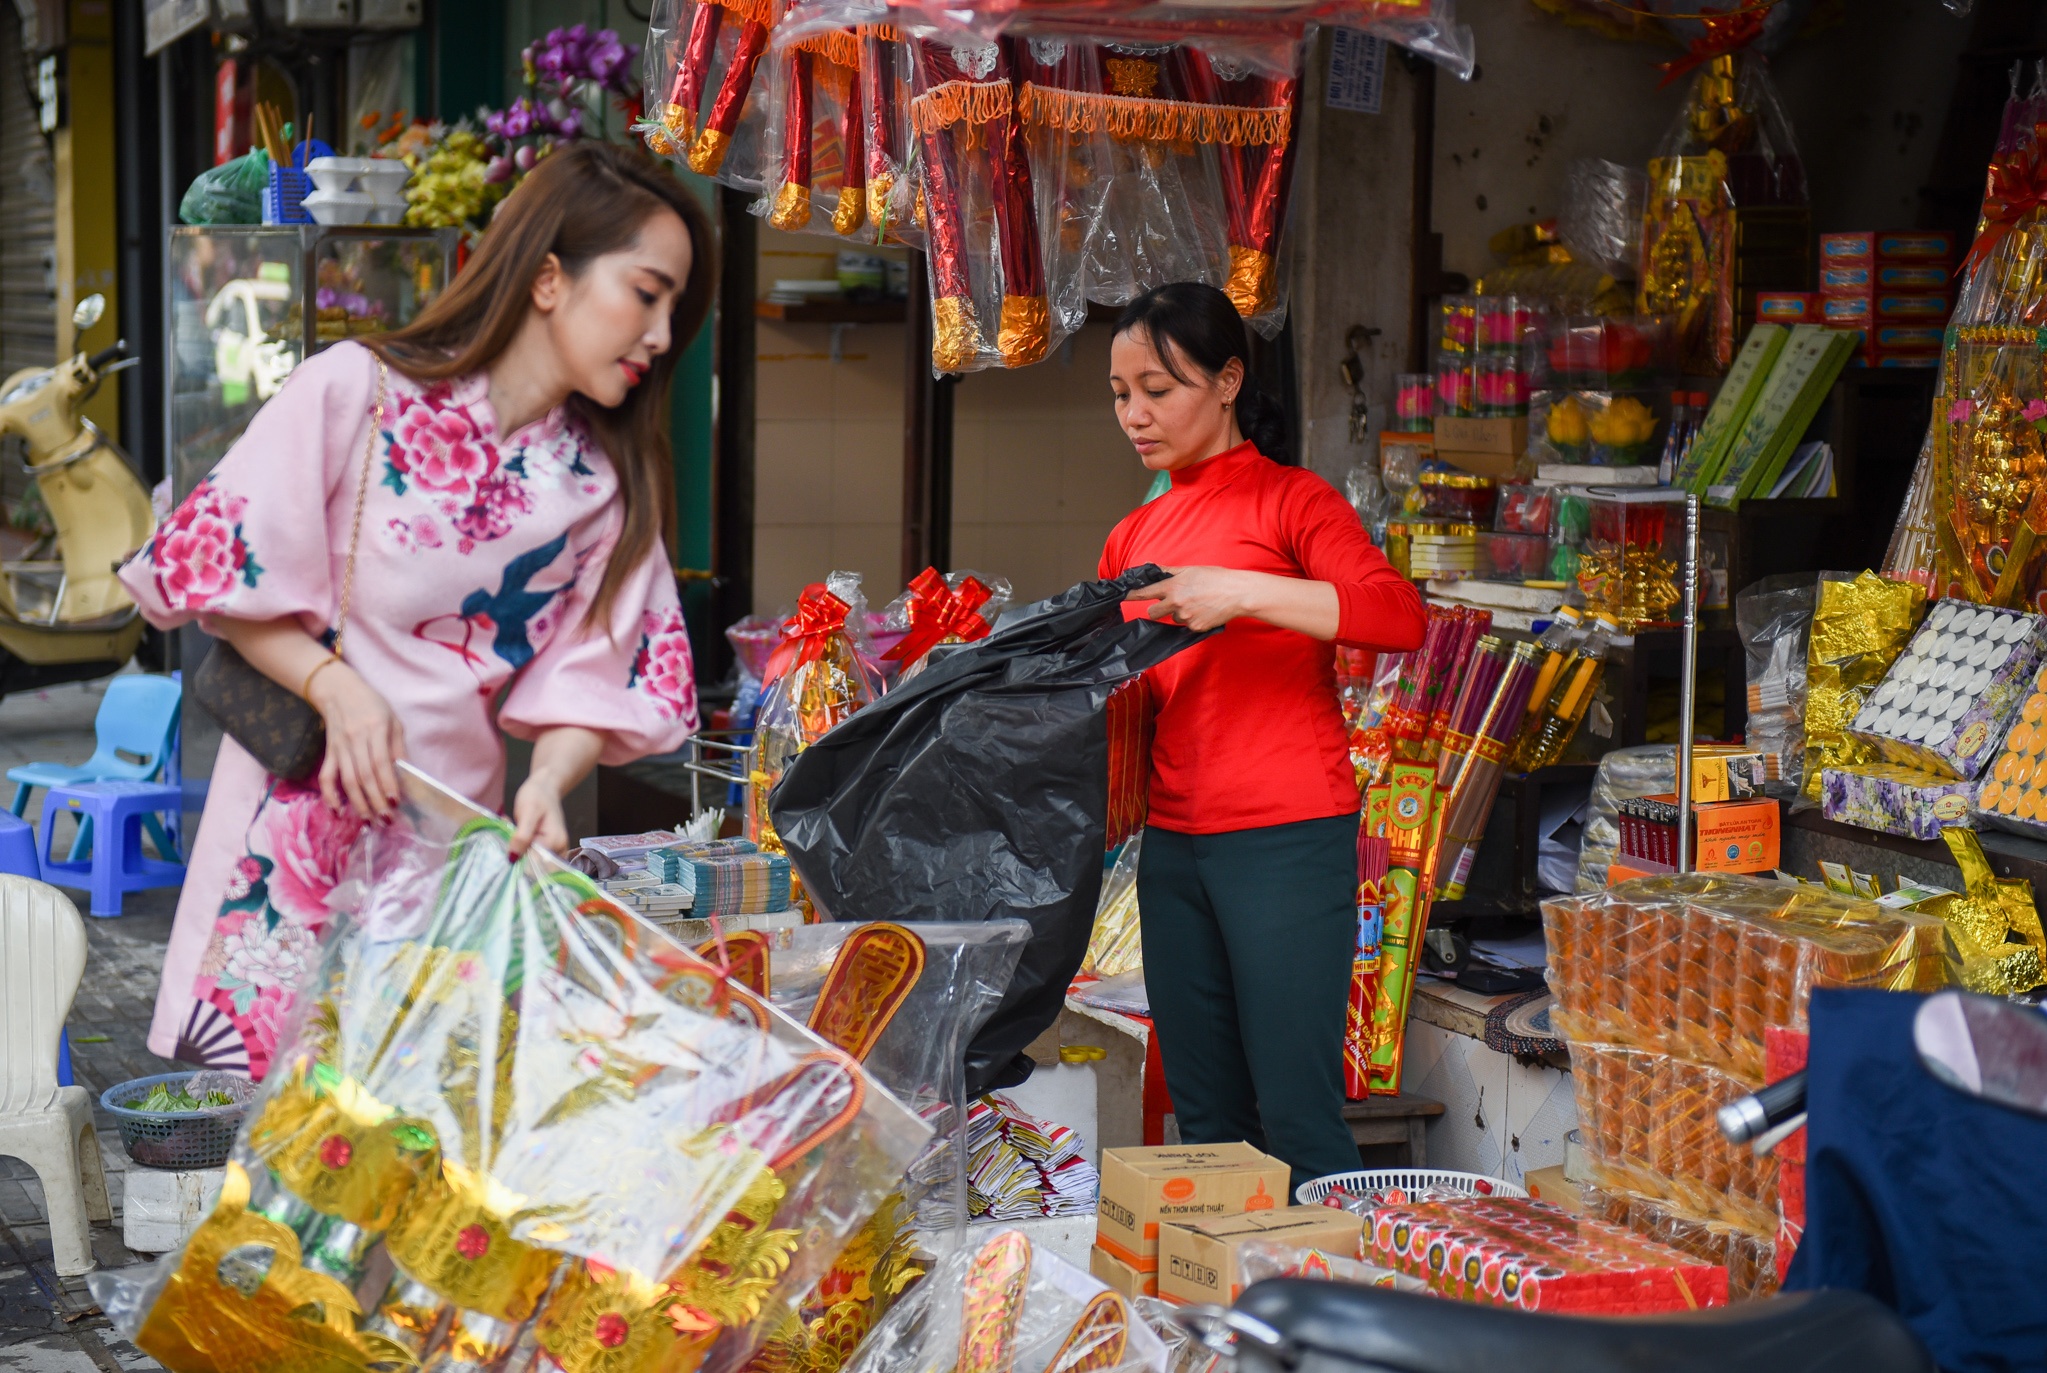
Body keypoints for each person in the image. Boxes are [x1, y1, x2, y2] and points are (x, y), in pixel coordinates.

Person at [118, 142, 715, 1077]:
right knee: (267, 1147)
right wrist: (336, 687)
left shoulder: (599, 486)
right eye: (647, 293)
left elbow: (588, 688)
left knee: (404, 1151)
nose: (661, 332)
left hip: (445, 849)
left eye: (676, 307)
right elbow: (221, 574)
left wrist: (546, 785)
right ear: (550, 278)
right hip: (293, 823)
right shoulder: (356, 389)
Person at [1098, 281, 1428, 1191]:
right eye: (1121, 394)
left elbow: (1397, 616)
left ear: (1229, 379)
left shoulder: (1293, 503)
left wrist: (1240, 593)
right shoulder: (1130, 534)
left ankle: (1328, 1314)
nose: (1136, 413)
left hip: (1284, 836)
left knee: (1295, 1111)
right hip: (1171, 846)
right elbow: (1124, 697)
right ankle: (1223, 1320)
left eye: (1158, 390)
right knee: (1203, 1119)